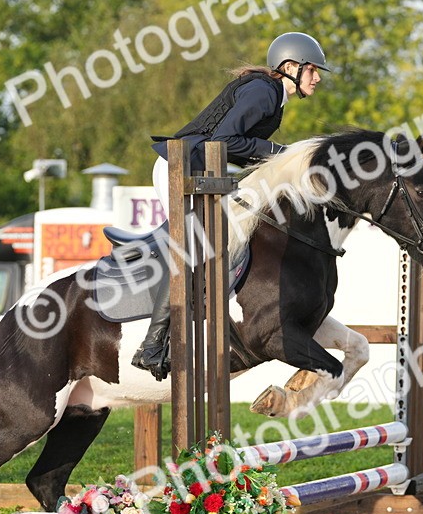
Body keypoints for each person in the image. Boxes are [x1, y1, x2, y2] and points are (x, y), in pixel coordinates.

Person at [130, 32, 332, 380]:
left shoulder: (272, 94)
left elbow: (230, 145)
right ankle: (151, 345)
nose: (317, 78)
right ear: (290, 67)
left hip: (202, 170)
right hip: (180, 167)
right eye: (312, 70)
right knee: (196, 245)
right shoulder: (264, 92)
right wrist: (282, 153)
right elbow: (225, 140)